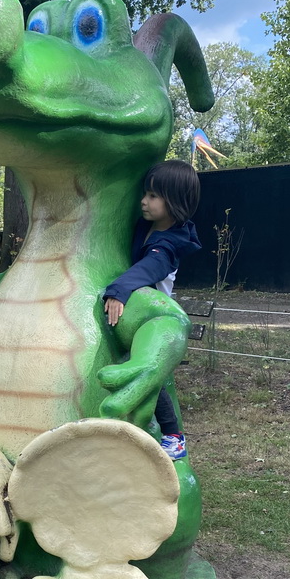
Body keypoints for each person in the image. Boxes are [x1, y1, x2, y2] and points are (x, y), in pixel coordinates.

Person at [103, 159, 201, 461]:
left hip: (151, 321)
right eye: (145, 193)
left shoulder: (168, 244)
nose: (144, 201)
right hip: (138, 315)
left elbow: (150, 266)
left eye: (154, 196)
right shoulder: (149, 225)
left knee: (149, 374)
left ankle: (174, 436)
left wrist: (119, 290)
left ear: (174, 202)